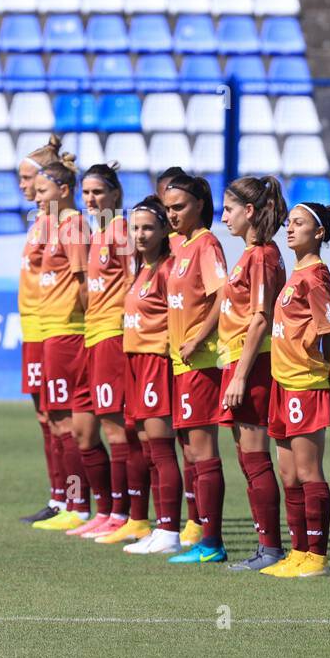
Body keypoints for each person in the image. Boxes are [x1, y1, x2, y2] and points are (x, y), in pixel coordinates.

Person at [259, 202, 330, 578]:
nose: (289, 229)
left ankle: (316, 557)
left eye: (299, 224)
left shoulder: (315, 276)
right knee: (289, 474)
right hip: (283, 383)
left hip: (305, 385)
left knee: (308, 471)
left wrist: (329, 381)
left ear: (320, 233)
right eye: (289, 223)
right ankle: (297, 551)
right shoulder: (296, 274)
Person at [72, 163, 149, 543]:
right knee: (100, 426)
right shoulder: (99, 234)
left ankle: (126, 514)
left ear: (116, 195)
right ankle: (109, 510)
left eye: (98, 192)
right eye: (86, 193)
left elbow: (137, 281)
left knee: (120, 429)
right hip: (94, 335)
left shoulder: (121, 232)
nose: (90, 199)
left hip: (114, 336)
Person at [218, 176, 289, 572]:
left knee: (255, 456)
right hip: (240, 360)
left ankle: (270, 548)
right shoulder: (250, 254)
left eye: (229, 209)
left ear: (249, 212)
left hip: (254, 363)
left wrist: (241, 376)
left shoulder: (262, 255)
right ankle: (267, 546)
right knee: (248, 457)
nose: (223, 216)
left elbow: (261, 319)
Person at [162, 172, 228, 563]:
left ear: (200, 205)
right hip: (180, 362)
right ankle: (201, 532)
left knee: (203, 451)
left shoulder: (207, 245)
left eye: (179, 207)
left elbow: (223, 296)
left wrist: (201, 337)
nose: (172, 214)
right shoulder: (182, 245)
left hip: (201, 362)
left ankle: (212, 542)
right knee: (189, 449)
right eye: (168, 208)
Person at [30, 150, 95, 533]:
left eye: (42, 190)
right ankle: (71, 502)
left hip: (70, 331)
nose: (37, 198)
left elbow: (85, 283)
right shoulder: (58, 225)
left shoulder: (73, 226)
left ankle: (79, 504)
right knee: (56, 418)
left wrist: (87, 325)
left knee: (66, 419)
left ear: (63, 190)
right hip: (54, 329)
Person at [121, 197, 184, 555]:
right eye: (135, 227)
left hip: (155, 362)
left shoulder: (167, 269)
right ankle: (160, 527)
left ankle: (170, 530)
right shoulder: (141, 268)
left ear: (164, 230)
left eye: (148, 227)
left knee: (161, 448)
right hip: (135, 362)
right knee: (147, 447)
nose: (140, 234)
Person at [17, 137, 66, 524]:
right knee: (44, 416)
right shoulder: (40, 220)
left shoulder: (67, 222)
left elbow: (108, 232)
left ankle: (71, 501)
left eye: (26, 177)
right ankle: (59, 497)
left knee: (58, 416)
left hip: (52, 326)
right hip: (34, 325)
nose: (22, 185)